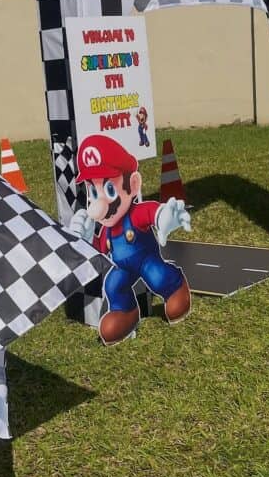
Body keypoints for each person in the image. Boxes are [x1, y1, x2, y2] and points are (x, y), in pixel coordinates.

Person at [69, 133, 191, 345]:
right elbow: (101, 249)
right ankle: (125, 312)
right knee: (113, 285)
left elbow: (153, 212)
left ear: (133, 184)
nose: (98, 204)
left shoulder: (134, 214)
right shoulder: (107, 229)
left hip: (146, 260)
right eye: (93, 191)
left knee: (157, 277)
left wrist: (166, 218)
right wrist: (86, 240)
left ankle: (175, 287)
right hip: (123, 267)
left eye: (108, 188)